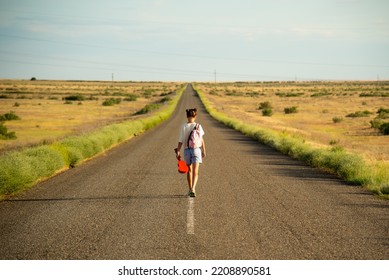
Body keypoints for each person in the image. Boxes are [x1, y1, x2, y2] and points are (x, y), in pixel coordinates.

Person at [175, 108, 206, 197]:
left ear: (187, 116)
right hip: (196, 150)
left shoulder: (184, 126)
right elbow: (202, 139)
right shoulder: (198, 126)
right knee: (196, 172)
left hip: (187, 150)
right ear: (195, 116)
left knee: (189, 170)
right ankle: (194, 188)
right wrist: (204, 150)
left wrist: (178, 151)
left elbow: (181, 140)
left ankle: (190, 189)